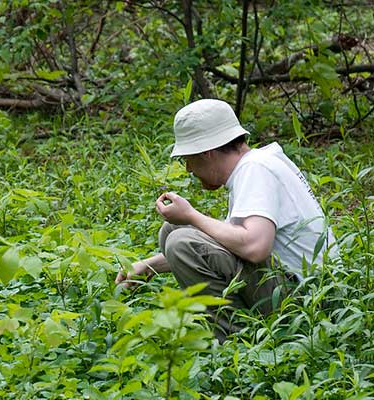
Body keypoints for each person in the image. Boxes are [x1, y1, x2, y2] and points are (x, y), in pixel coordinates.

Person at [115, 99, 336, 340]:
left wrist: (191, 215)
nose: (188, 168)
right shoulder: (257, 163)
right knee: (173, 230)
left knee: (181, 241)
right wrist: (149, 266)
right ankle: (243, 332)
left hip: (307, 303)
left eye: (188, 158)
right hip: (300, 287)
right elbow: (228, 246)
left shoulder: (255, 169)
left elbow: (255, 247)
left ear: (207, 153)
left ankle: (242, 341)